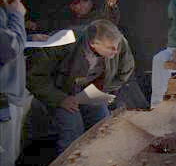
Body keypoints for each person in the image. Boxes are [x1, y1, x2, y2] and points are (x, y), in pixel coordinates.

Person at [26, 20, 134, 154]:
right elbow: (35, 76)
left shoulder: (118, 42)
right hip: (61, 90)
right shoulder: (63, 42)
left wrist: (100, 89)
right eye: (110, 48)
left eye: (117, 46)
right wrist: (60, 99)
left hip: (91, 87)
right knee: (72, 131)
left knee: (102, 123)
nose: (116, 51)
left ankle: (98, 162)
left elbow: (124, 71)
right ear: (94, 44)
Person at [0, 0, 36, 166]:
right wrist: (17, 17)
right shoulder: (9, 10)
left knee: (7, 162)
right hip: (3, 101)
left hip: (10, 98)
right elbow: (10, 48)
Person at [45, 0, 120, 31]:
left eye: (85, 0)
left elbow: (111, 20)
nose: (82, 4)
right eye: (77, 2)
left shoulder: (99, 16)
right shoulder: (64, 21)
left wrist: (112, 5)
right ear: (71, 6)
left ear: (91, 2)